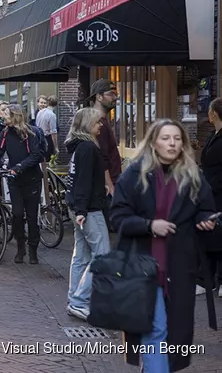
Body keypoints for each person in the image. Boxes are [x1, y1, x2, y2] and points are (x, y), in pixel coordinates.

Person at [110, 119, 218, 372]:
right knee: (155, 328)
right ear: (153, 142)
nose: (172, 143)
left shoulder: (193, 175)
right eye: (166, 138)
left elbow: (205, 209)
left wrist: (205, 221)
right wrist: (149, 225)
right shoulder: (135, 174)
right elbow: (118, 217)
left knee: (175, 334)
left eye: (177, 138)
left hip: (179, 266)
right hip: (142, 265)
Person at [0, 104, 45, 264]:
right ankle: (21, 248)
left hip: (31, 180)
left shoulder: (31, 133)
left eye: (5, 114)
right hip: (15, 180)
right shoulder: (5, 133)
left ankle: (33, 249)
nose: (2, 117)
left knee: (32, 216)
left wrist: (19, 167)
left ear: (15, 116)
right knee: (17, 215)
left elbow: (36, 155)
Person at [64, 107, 110, 321]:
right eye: (98, 122)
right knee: (102, 255)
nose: (101, 125)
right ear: (88, 125)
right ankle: (80, 301)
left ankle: (74, 300)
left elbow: (77, 180)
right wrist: (82, 210)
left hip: (78, 207)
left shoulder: (77, 148)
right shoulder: (89, 149)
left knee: (80, 256)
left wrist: (77, 208)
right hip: (89, 210)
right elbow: (83, 181)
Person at [88, 79, 122, 229]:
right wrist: (110, 185)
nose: (115, 97)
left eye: (115, 94)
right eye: (111, 94)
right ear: (99, 97)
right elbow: (102, 157)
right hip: (106, 187)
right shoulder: (98, 124)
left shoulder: (102, 121)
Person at [198, 97, 222, 298]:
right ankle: (208, 278)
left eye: (209, 111)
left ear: (214, 114)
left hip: (219, 192)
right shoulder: (212, 135)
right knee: (209, 234)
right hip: (209, 193)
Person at [35, 95, 58, 162]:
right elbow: (53, 132)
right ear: (55, 105)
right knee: (48, 159)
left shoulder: (40, 112)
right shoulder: (52, 115)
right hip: (47, 138)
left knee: (41, 159)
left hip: (38, 137)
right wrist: (56, 147)